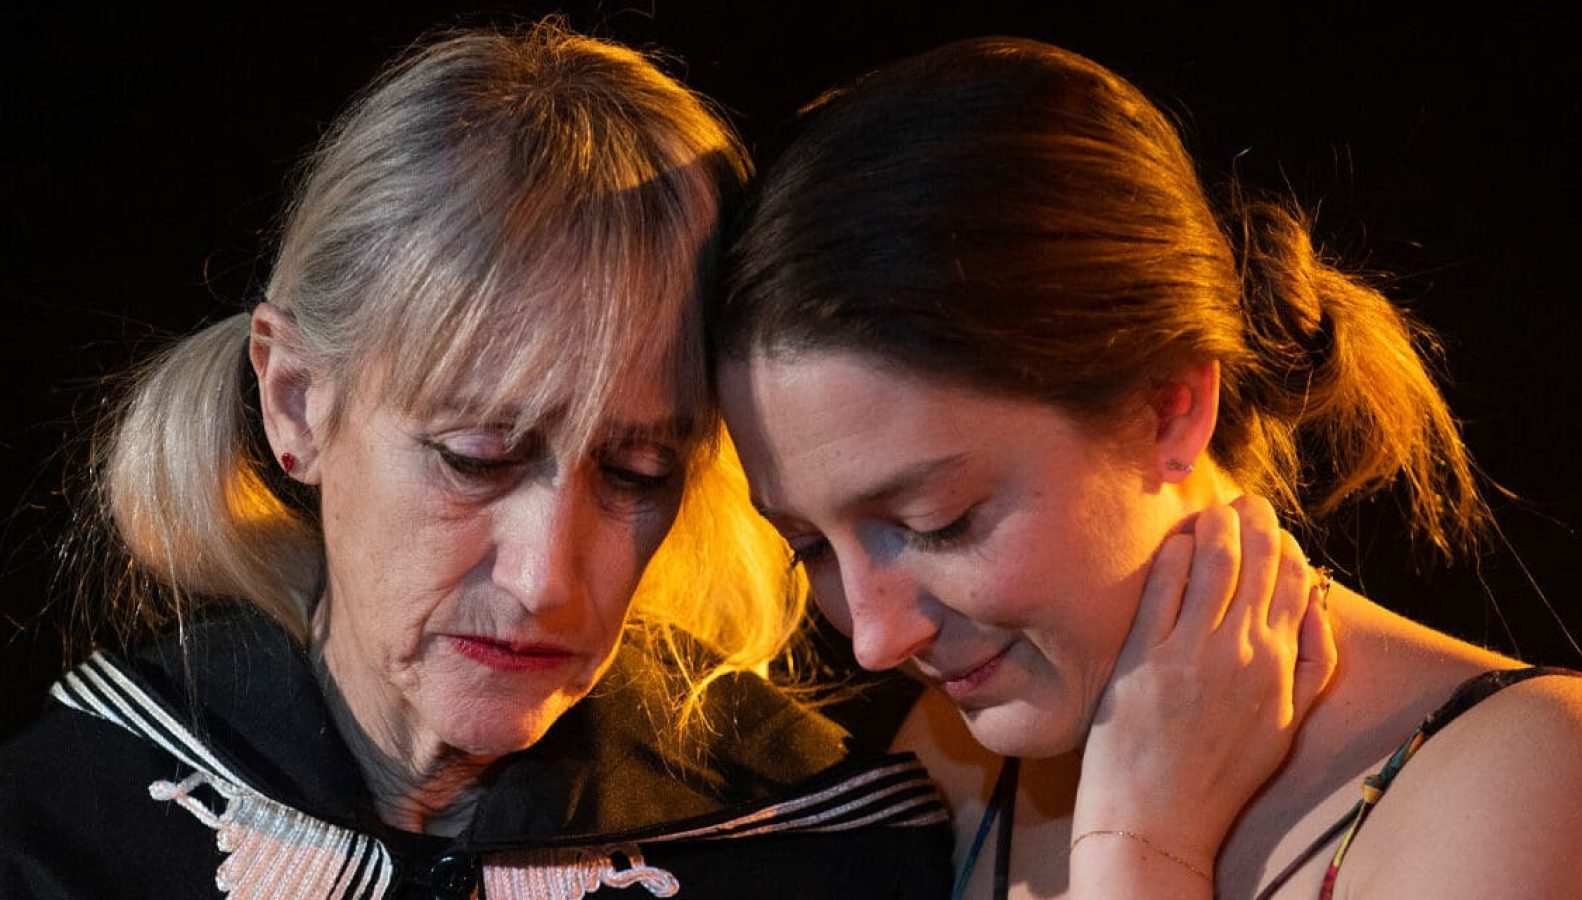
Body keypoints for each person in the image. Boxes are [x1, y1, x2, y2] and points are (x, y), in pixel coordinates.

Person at [0, 22, 959, 899]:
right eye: (477, 456)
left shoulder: (829, 853)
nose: (546, 577)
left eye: (637, 472)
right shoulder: (67, 827)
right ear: (295, 400)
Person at [713, 36, 1582, 899]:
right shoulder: (959, 755)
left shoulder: (1531, 776)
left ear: (1170, 403)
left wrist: (1140, 857)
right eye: (811, 549)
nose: (874, 640)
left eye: (937, 521)